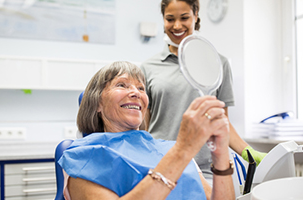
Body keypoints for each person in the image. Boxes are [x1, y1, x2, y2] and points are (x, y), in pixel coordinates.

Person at [58, 61, 235, 200]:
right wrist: (182, 151)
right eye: (122, 85)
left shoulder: (170, 149)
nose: (136, 93)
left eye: (141, 88)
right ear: (97, 103)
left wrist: (220, 157)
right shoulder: (84, 156)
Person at [140, 0, 266, 179]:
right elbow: (143, 125)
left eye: (184, 17)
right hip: (159, 166)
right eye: (170, 19)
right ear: (163, 20)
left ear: (196, 15)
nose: (177, 25)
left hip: (204, 171)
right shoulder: (148, 68)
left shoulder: (217, 64)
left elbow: (221, 121)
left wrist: (247, 151)